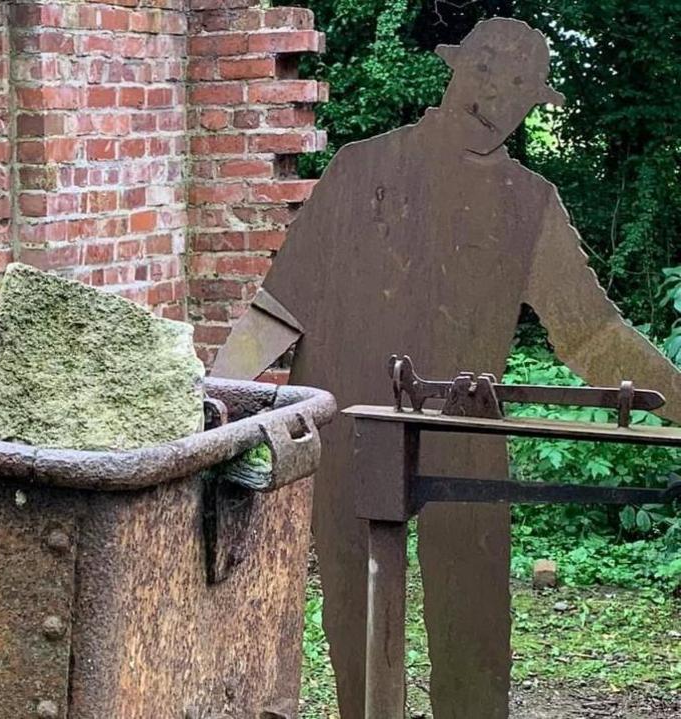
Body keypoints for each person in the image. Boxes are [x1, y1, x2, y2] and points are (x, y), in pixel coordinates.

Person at [214, 17, 681, 719]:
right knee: (362, 636)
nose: (498, 93)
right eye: (488, 70)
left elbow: (592, 331)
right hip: (356, 440)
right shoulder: (363, 167)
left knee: (474, 638)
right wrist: (215, 407)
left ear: (533, 103)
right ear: (457, 69)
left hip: (466, 446)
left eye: (520, 85)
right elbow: (279, 311)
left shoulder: (531, 202)